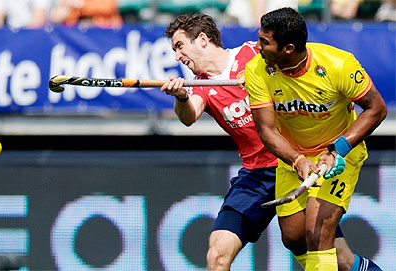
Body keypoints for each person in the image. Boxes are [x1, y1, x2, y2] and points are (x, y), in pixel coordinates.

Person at [161, 13, 383, 271]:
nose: (177, 56)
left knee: (331, 250)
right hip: (262, 172)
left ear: (201, 39)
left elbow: (291, 64)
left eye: (179, 46)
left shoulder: (253, 54)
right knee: (219, 257)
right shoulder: (199, 86)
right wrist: (180, 97)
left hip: (307, 158)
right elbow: (189, 117)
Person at [245, 7, 386, 270]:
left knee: (317, 232)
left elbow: (376, 109)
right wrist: (297, 160)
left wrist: (337, 150)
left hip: (338, 155)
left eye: (264, 42)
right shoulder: (257, 70)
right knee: (295, 238)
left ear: (288, 48)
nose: (257, 46)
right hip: (293, 157)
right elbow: (267, 131)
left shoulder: (338, 65)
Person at [50, 0, 122, 28]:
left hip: (104, 33)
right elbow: (56, 17)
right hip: (78, 37)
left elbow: (108, 7)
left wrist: (81, 5)